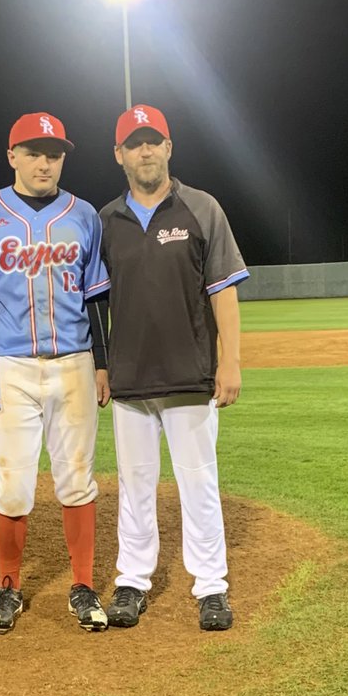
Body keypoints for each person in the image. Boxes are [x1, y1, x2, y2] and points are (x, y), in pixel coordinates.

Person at [0, 112, 112, 633]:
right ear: (12, 157)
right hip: (9, 366)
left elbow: (96, 296)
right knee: (12, 486)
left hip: (75, 362)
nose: (45, 163)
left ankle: (83, 585)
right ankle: (8, 587)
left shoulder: (83, 214)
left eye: (54, 154)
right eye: (33, 152)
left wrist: (103, 363)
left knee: (77, 479)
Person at [98, 105, 249, 632]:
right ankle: (132, 580)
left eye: (153, 141)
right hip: (131, 378)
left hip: (191, 374)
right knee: (134, 484)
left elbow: (223, 290)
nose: (144, 151)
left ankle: (210, 585)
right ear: (119, 155)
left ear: (168, 147)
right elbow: (94, 302)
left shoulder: (201, 208)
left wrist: (230, 360)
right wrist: (101, 366)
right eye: (133, 143)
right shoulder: (105, 221)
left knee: (199, 482)